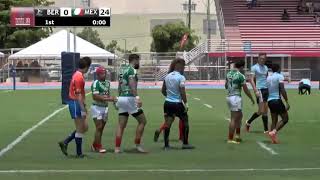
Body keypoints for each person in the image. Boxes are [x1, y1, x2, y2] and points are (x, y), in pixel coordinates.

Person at [58, 57, 92, 158]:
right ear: (86, 67)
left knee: (84, 127)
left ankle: (65, 142)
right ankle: (79, 153)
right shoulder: (79, 77)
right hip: (75, 103)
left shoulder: (77, 74)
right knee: (81, 128)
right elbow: (78, 95)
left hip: (76, 103)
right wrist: (83, 108)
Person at [114, 54, 147, 153]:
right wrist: (137, 98)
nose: (139, 63)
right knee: (142, 121)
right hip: (130, 98)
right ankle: (137, 145)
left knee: (121, 125)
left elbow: (119, 86)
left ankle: (117, 148)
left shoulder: (122, 70)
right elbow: (132, 85)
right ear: (135, 60)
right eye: (138, 60)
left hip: (122, 98)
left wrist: (118, 99)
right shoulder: (132, 70)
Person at [161, 58, 194, 150]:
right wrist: (186, 103)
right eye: (184, 66)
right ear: (180, 66)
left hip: (167, 103)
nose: (184, 68)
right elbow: (182, 92)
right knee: (185, 121)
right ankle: (185, 143)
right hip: (178, 104)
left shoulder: (167, 76)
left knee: (168, 123)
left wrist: (170, 97)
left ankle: (166, 145)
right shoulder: (181, 77)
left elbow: (163, 91)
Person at [225, 60, 255, 144]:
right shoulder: (240, 76)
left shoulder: (228, 74)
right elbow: (245, 90)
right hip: (236, 97)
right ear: (241, 67)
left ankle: (237, 135)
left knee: (240, 116)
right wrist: (251, 98)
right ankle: (230, 139)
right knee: (234, 119)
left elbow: (226, 86)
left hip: (229, 97)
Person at [90, 66, 117, 153]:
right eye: (102, 73)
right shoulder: (96, 83)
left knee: (101, 128)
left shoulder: (107, 83)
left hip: (105, 108)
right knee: (99, 127)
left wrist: (113, 100)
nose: (104, 75)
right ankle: (98, 146)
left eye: (105, 73)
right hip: (97, 108)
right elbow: (95, 96)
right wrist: (109, 99)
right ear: (97, 74)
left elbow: (107, 95)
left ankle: (94, 145)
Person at [245, 53, 269, 133]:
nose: (262, 59)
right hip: (259, 90)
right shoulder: (254, 67)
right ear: (258, 58)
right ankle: (248, 122)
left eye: (264, 58)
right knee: (261, 111)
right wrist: (255, 90)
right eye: (261, 58)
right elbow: (251, 80)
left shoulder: (266, 67)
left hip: (266, 90)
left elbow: (266, 78)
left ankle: (266, 130)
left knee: (265, 110)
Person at [266, 64, 290, 144]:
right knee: (285, 119)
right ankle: (273, 132)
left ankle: (273, 139)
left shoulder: (268, 77)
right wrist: (286, 101)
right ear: (279, 69)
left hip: (270, 101)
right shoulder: (279, 76)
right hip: (277, 100)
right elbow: (282, 89)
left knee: (274, 120)